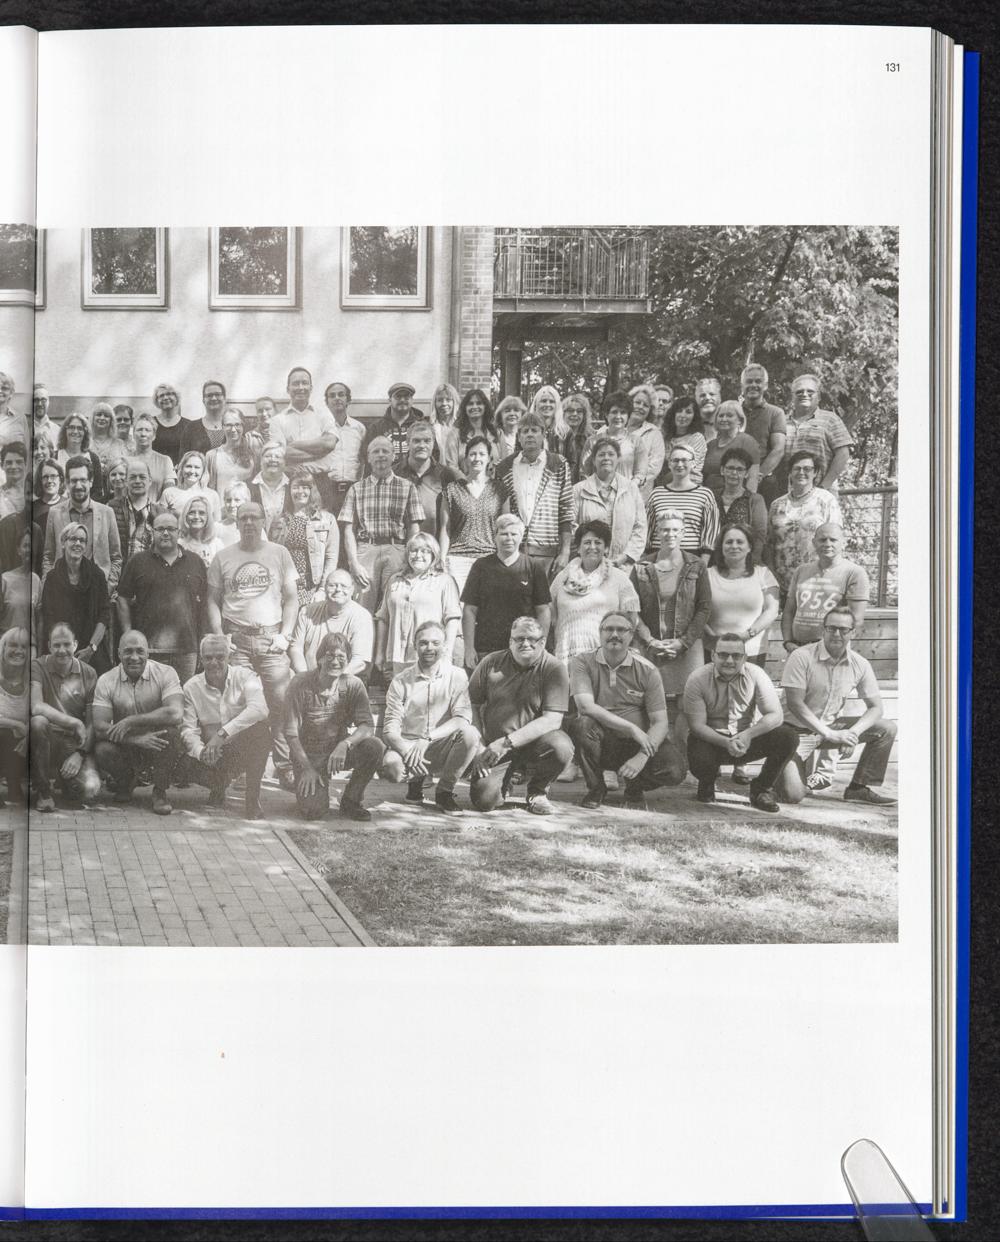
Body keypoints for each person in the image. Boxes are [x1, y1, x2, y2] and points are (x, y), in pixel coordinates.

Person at [206, 501, 299, 787]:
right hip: (237, 640)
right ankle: (238, 767)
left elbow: (292, 598)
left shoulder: (279, 553)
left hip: (271, 639)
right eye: (243, 518)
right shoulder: (223, 556)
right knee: (238, 705)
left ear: (263, 521)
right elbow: (212, 600)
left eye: (254, 518)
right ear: (236, 522)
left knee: (281, 702)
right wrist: (220, 637)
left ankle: (285, 767)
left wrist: (285, 635)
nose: (248, 523)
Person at [777, 605, 897, 805]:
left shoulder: (860, 664)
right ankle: (780, 773)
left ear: (853, 633)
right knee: (792, 795)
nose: (837, 634)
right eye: (831, 628)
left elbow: (876, 708)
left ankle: (858, 788)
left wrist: (853, 734)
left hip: (831, 727)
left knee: (886, 728)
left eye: (843, 630)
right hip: (794, 732)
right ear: (823, 630)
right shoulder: (801, 656)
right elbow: (795, 703)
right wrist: (831, 734)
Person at [569, 611, 686, 811]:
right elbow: (585, 706)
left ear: (631, 635)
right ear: (600, 633)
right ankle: (596, 788)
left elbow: (660, 722)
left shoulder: (648, 670)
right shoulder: (582, 662)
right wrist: (631, 728)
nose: (614, 634)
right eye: (609, 629)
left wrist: (642, 756)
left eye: (621, 630)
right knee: (581, 724)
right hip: (602, 741)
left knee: (675, 771)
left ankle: (635, 784)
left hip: (636, 743)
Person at [468, 615, 574, 816]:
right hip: (495, 747)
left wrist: (507, 742)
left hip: (534, 744)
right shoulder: (490, 662)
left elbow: (553, 719)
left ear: (542, 642)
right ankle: (505, 782)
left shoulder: (554, 667)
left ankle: (538, 792)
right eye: (519, 638)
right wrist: (479, 746)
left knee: (561, 747)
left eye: (532, 639)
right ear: (510, 641)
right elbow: (471, 705)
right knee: (484, 801)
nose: (525, 643)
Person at [682, 633, 799, 812]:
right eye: (723, 655)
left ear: (744, 658)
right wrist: (726, 742)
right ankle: (707, 782)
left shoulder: (756, 674)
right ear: (713, 655)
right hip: (712, 741)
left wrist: (748, 735)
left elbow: (776, 715)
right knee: (699, 753)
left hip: (745, 740)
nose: (729, 661)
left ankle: (761, 789)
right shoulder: (697, 678)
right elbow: (697, 726)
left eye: (736, 656)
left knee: (787, 736)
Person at [380, 619, 480, 814]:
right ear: (415, 646)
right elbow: (390, 730)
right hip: (409, 746)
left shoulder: (457, 675)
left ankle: (444, 792)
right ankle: (414, 786)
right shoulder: (400, 681)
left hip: (442, 745)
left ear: (444, 646)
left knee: (470, 734)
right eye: (423, 643)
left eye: (435, 643)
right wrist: (408, 753)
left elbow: (462, 718)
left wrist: (427, 738)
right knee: (392, 768)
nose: (429, 648)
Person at [285, 631, 386, 821]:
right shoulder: (300, 684)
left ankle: (351, 800)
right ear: (320, 658)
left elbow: (366, 725)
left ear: (347, 661)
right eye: (329, 655)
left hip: (337, 754)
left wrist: (345, 744)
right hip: (308, 757)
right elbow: (291, 734)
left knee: (374, 747)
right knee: (313, 812)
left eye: (341, 657)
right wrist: (306, 768)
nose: (335, 661)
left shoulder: (353, 685)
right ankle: (306, 788)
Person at [179, 633, 272, 819]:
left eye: (220, 657)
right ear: (201, 660)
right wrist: (201, 752)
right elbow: (188, 729)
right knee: (180, 754)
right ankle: (218, 786)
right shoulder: (191, 687)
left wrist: (222, 734)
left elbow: (260, 709)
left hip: (238, 749)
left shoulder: (246, 676)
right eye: (208, 658)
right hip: (210, 753)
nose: (214, 663)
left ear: (229, 657)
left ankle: (252, 799)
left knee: (261, 732)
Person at [92, 629, 184, 815]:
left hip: (157, 742)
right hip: (127, 744)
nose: (134, 657)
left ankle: (160, 791)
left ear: (148, 653)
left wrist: (131, 721)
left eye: (140, 651)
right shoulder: (106, 680)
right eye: (128, 651)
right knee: (102, 749)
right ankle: (126, 781)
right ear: (119, 654)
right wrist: (136, 739)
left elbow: (176, 713)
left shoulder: (166, 673)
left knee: (173, 734)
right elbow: (99, 726)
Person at [631, 508, 710, 709]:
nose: (670, 534)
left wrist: (683, 643)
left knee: (688, 706)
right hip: (650, 646)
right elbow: (631, 609)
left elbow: (704, 608)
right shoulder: (640, 567)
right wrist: (650, 641)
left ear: (683, 533)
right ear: (657, 532)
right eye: (665, 529)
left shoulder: (697, 565)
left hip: (687, 648)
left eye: (676, 530)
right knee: (650, 705)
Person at [116, 509, 207, 684]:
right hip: (149, 650)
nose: (165, 533)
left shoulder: (195, 562)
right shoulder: (137, 561)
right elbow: (122, 598)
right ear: (153, 532)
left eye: (171, 529)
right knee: (150, 698)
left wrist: (202, 641)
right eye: (160, 529)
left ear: (179, 532)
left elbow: (204, 604)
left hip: (187, 651)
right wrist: (128, 634)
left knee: (184, 697)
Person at [340, 436, 425, 613]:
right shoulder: (356, 489)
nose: (380, 455)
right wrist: (353, 563)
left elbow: (414, 527)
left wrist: (408, 558)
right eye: (375, 451)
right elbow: (348, 529)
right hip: (366, 550)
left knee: (395, 604)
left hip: (396, 550)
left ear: (394, 456)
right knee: (361, 606)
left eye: (385, 451)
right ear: (368, 457)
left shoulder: (407, 487)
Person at [460, 514, 552, 669]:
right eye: (503, 534)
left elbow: (543, 610)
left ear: (521, 537)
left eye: (513, 534)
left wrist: (540, 646)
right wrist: (469, 648)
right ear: (495, 537)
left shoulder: (533, 567)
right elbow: (469, 610)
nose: (509, 538)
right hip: (486, 649)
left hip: (523, 648)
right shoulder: (481, 566)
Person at [30, 621, 103, 811]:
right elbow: (36, 706)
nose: (62, 650)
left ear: (76, 645)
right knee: (38, 722)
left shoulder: (89, 673)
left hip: (71, 742)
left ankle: (64, 780)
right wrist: (74, 722)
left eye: (67, 644)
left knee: (90, 791)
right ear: (49, 646)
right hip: (45, 738)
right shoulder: (37, 666)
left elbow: (92, 723)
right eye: (56, 645)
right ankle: (44, 792)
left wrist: (80, 754)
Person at [494, 412, 574, 577]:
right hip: (514, 550)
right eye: (525, 431)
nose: (530, 435)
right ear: (519, 437)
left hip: (547, 552)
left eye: (535, 430)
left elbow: (566, 510)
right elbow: (499, 513)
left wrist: (565, 552)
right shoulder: (504, 467)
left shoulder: (558, 464)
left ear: (543, 434)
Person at [549, 520, 639, 662]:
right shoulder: (562, 577)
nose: (592, 547)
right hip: (567, 656)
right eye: (587, 542)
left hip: (605, 658)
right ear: (578, 548)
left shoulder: (619, 578)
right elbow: (549, 612)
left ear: (606, 548)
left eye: (598, 542)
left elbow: (631, 618)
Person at [375, 532, 461, 675]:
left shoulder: (444, 581)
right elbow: (383, 618)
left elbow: (452, 619)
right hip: (398, 656)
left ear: (433, 554)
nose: (418, 555)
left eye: (424, 551)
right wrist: (379, 653)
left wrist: (446, 653)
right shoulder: (395, 580)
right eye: (413, 550)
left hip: (430, 655)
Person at [765, 450, 844, 599]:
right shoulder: (777, 505)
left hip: (818, 581)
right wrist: (772, 577)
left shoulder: (826, 500)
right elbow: (769, 544)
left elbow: (836, 541)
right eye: (797, 468)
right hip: (783, 584)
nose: (801, 472)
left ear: (815, 473)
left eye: (807, 469)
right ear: (790, 472)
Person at [782, 523, 870, 652]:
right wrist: (788, 642)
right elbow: (789, 611)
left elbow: (856, 620)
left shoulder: (854, 573)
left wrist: (833, 649)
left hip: (831, 650)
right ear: (814, 542)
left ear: (843, 542)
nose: (827, 544)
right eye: (822, 540)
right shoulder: (801, 570)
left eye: (833, 540)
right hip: (797, 648)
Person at [42, 454, 123, 591]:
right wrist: (49, 589)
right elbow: (48, 557)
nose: (78, 486)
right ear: (67, 483)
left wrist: (106, 589)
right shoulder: (55, 513)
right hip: (63, 592)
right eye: (74, 481)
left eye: (83, 480)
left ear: (91, 481)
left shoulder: (107, 513)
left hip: (97, 591)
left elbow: (116, 558)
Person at [704, 522, 780, 666]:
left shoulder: (763, 574)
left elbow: (772, 610)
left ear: (749, 547)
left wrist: (747, 634)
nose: (734, 546)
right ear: (721, 547)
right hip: (715, 651)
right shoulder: (707, 575)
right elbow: (696, 609)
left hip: (751, 651)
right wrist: (711, 635)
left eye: (740, 542)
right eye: (729, 542)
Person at [39, 523, 112, 672]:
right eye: (73, 539)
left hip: (92, 648)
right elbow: (49, 617)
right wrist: (65, 649)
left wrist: (91, 648)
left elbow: (104, 615)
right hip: (61, 649)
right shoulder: (52, 578)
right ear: (63, 543)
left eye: (82, 540)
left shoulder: (97, 575)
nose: (78, 543)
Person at [439, 434, 504, 594]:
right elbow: (445, 528)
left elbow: (505, 526)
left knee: (487, 605)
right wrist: (441, 558)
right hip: (458, 559)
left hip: (490, 557)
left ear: (489, 458)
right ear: (466, 458)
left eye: (482, 454)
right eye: (472, 454)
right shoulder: (452, 489)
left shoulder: (499, 489)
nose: (477, 458)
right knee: (459, 605)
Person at [267, 468, 339, 607]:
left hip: (312, 589)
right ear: (289, 491)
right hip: (284, 589)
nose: (300, 491)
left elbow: (331, 558)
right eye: (295, 487)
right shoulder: (279, 520)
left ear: (312, 490)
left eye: (305, 487)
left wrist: (322, 590)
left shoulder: (327, 520)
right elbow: (271, 557)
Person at [270, 366, 340, 507]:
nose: (301, 387)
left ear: (311, 387)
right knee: (292, 520)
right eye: (296, 383)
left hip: (322, 482)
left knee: (323, 520)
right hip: (290, 482)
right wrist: (320, 452)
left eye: (304, 383)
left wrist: (294, 444)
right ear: (288, 389)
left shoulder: (323, 414)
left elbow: (329, 444)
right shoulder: (277, 420)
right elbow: (282, 453)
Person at [573, 437, 648, 568]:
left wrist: (625, 557)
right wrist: (588, 553)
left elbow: (640, 527)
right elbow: (571, 526)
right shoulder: (579, 490)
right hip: (587, 564)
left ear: (618, 459)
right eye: (601, 454)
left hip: (623, 565)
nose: (606, 458)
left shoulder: (631, 489)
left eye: (611, 454)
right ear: (593, 460)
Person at [289, 568, 374, 678]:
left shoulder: (362, 616)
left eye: (344, 586)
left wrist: (330, 680)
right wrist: (305, 676)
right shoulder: (307, 612)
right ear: (324, 588)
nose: (338, 589)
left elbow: (360, 661)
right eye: (332, 585)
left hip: (345, 678)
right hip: (309, 677)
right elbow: (296, 648)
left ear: (352, 590)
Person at [779, 372, 853, 493]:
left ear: (818, 397)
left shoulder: (830, 419)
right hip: (787, 493)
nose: (804, 394)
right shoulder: (781, 421)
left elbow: (843, 454)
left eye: (810, 391)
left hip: (821, 492)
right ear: (792, 396)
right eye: (799, 392)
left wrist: (823, 488)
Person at [646, 443, 720, 561]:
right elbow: (646, 530)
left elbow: (711, 533)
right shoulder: (656, 493)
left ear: (693, 464)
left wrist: (702, 564)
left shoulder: (705, 495)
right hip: (659, 558)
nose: (680, 464)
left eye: (684, 460)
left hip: (691, 560)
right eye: (675, 460)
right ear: (669, 464)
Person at [393, 421, 461, 540]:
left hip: (435, 545)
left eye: (427, 441)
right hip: (400, 545)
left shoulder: (447, 476)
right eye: (416, 441)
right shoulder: (393, 473)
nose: (422, 445)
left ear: (433, 443)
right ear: (407, 443)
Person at [738, 364, 787, 501]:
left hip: (764, 480)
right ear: (742, 386)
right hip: (734, 477)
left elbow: (778, 450)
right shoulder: (733, 412)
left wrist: (756, 476)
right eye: (749, 381)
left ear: (765, 386)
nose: (753, 385)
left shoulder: (775, 413)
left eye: (758, 381)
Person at [711, 447, 768, 562]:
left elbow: (759, 536)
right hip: (712, 561)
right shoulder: (711, 497)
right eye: (730, 468)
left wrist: (751, 563)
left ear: (746, 473)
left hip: (743, 562)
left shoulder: (755, 500)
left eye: (740, 469)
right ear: (722, 470)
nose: (734, 473)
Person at [321, 381, 367, 514]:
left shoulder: (359, 428)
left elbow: (363, 459)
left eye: (341, 394)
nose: (337, 398)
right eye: (332, 395)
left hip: (354, 489)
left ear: (348, 399)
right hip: (327, 489)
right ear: (327, 402)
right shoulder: (320, 427)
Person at [109, 458, 167, 565]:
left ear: (150, 481)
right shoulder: (111, 508)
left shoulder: (162, 513)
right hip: (121, 572)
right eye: (132, 477)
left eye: (142, 477)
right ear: (126, 481)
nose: (137, 481)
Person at [701, 400, 760, 493]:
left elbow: (753, 478)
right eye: (721, 416)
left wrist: (747, 499)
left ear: (740, 421)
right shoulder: (710, 445)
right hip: (708, 495)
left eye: (729, 415)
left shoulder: (747, 442)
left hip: (734, 496)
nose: (724, 419)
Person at [582, 391, 640, 481]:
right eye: (614, 412)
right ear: (606, 414)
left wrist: (630, 486)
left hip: (627, 488)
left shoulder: (636, 442)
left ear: (628, 416)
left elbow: (640, 473)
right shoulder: (592, 441)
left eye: (623, 412)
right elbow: (584, 472)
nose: (618, 416)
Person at [0, 628, 29, 806]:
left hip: (24, 748)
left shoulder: (32, 680)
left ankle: (15, 784)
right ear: (3, 648)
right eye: (13, 645)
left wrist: (28, 733)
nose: (18, 651)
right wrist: (16, 724)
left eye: (23, 647)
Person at [206, 411, 257, 503]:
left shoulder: (252, 455)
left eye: (237, 424)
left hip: (246, 510)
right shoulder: (212, 456)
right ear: (222, 427)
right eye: (228, 425)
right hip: (220, 510)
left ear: (243, 426)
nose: (233, 429)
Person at [362, 381, 421, 461]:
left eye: (406, 397)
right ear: (390, 400)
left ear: (412, 400)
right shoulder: (376, 428)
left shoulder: (421, 426)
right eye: (398, 396)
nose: (402, 400)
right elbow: (368, 456)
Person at [1, 526, 40, 645]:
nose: (29, 549)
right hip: (8, 646)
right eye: (25, 545)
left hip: (29, 647)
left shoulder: (36, 580)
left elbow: (39, 620)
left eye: (32, 546)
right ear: (18, 550)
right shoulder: (4, 579)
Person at [161, 450, 222, 522]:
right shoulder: (169, 493)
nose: (192, 471)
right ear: (181, 468)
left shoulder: (212, 495)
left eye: (197, 467)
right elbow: (161, 521)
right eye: (188, 466)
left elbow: (217, 524)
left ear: (203, 471)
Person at [56, 412, 105, 501]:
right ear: (65, 430)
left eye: (80, 428)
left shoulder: (93, 458)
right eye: (71, 427)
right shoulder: (55, 456)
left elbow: (97, 491)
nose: (75, 431)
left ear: (85, 432)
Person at [627, 384, 666, 496]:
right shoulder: (615, 427)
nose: (640, 407)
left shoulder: (654, 433)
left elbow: (654, 467)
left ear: (650, 410)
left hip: (638, 494)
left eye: (645, 405)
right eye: (637, 402)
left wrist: (633, 482)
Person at [130, 413, 177, 502]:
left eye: (147, 430)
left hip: (157, 508)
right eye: (139, 430)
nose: (143, 434)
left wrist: (157, 507)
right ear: (133, 434)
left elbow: (170, 492)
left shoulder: (165, 461)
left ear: (154, 435)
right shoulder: (125, 460)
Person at [661, 396, 708, 484]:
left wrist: (662, 480)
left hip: (689, 486)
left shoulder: (697, 438)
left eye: (688, 412)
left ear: (694, 416)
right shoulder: (666, 438)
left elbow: (687, 469)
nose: (683, 415)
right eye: (679, 411)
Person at [249, 441, 293, 528]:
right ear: (260, 460)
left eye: (277, 456)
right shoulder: (249, 486)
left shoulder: (292, 485)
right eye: (268, 456)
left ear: (285, 462)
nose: (272, 459)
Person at [180, 379, 228, 456]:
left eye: (218, 394)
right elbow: (184, 459)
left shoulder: (234, 425)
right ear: (203, 400)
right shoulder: (191, 427)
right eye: (209, 395)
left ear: (224, 399)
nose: (214, 398)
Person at [177, 494, 226, 569]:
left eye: (201, 513)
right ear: (185, 516)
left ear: (208, 517)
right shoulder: (179, 544)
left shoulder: (217, 544)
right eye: (192, 512)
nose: (196, 517)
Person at [454, 388, 499, 468]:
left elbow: (505, 464)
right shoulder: (455, 435)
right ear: (465, 408)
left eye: (479, 403)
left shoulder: (497, 433)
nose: (475, 407)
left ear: (485, 407)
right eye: (470, 404)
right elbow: (451, 467)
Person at [557, 393, 594, 484]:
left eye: (579, 411)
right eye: (570, 410)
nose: (575, 414)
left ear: (584, 415)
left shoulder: (590, 438)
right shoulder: (557, 438)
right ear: (563, 413)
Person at [88, 401, 129, 482]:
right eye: (99, 414)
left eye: (106, 416)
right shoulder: (86, 442)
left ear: (111, 420)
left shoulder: (120, 444)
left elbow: (126, 467)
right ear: (93, 418)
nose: (102, 418)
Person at [425, 383, 462, 468]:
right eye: (440, 400)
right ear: (435, 403)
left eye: (448, 400)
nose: (444, 403)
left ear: (455, 402)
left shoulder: (461, 426)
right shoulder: (428, 426)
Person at [150, 382, 186, 464]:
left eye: (169, 394)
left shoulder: (188, 425)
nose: (165, 398)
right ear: (156, 401)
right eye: (161, 396)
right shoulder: (150, 423)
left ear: (176, 398)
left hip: (179, 470)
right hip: (155, 468)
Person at [32, 457, 65, 544]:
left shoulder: (68, 504)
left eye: (53, 476)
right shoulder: (32, 508)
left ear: (60, 479)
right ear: (40, 480)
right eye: (45, 477)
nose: (49, 480)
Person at [216, 480, 253, 548]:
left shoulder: (255, 527)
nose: (232, 505)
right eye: (228, 500)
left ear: (246, 502)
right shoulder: (217, 528)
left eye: (237, 500)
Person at [493, 395, 526, 461]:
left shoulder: (526, 436)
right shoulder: (494, 437)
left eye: (516, 410)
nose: (512, 414)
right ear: (500, 416)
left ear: (522, 414)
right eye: (507, 411)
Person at [0, 442, 27, 518]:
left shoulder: (33, 493)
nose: (14, 466)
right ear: (2, 465)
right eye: (9, 463)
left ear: (25, 464)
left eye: (19, 462)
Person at [0, 372, 25, 450]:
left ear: (11, 393)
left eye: (4, 388)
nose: (0, 391)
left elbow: (26, 450)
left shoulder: (20, 418)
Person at [693, 377, 721, 442]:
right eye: (702, 395)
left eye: (712, 394)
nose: (707, 398)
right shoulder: (690, 426)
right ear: (696, 399)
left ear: (719, 398)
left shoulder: (730, 425)